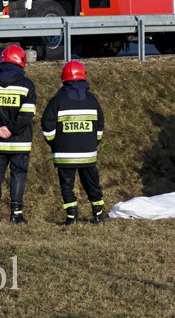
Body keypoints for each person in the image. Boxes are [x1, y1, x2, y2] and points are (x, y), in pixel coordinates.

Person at [41, 60, 109, 225]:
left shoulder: (57, 100)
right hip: (88, 152)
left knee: (67, 185)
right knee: (92, 182)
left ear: (63, 78)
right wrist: (94, 142)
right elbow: (100, 125)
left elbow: (47, 126)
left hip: (65, 153)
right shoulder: (92, 100)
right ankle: (98, 213)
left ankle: (71, 218)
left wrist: (54, 144)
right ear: (83, 76)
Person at [0, 44, 37, 224]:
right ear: (21, 61)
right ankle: (16, 215)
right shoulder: (27, 85)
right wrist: (11, 129)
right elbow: (27, 113)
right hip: (20, 141)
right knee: (17, 176)